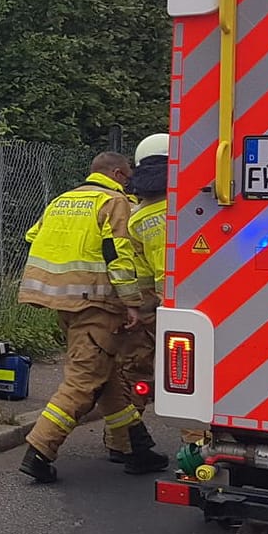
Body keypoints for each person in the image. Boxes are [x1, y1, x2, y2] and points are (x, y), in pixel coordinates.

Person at [16, 152, 168, 482]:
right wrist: (131, 302)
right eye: (127, 176)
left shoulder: (61, 200)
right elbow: (119, 255)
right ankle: (39, 451)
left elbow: (33, 236)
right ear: (116, 173)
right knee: (82, 382)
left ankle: (136, 446)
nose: (130, 183)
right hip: (97, 304)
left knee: (108, 375)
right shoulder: (114, 203)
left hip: (63, 302)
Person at [104, 134, 168, 461]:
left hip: (146, 304)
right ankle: (198, 446)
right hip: (182, 303)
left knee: (135, 372)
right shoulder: (185, 208)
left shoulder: (136, 216)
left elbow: (132, 265)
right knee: (194, 373)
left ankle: (122, 442)